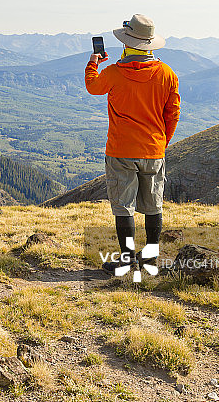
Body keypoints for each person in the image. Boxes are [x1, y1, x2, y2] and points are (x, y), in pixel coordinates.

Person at [85, 14, 180, 274]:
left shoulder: (114, 73)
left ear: (127, 44)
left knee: (123, 207)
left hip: (121, 151)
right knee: (153, 206)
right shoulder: (167, 74)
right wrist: (160, 143)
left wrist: (93, 63)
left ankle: (126, 260)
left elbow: (93, 87)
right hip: (153, 150)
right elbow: (172, 115)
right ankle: (149, 259)